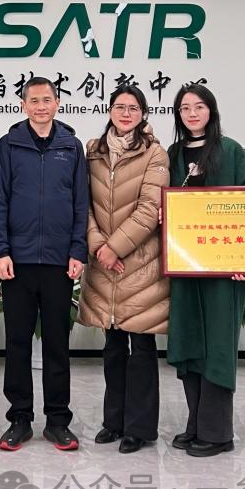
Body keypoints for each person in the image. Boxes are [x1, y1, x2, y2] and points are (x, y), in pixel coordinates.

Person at [0, 76, 88, 452]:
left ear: (57, 103)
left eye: (47, 100)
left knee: (58, 343)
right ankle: (19, 419)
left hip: (60, 262)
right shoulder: (8, 145)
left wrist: (78, 250)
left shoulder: (71, 146)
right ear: (23, 105)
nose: (41, 106)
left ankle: (58, 421)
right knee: (17, 342)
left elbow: (81, 203)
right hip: (18, 261)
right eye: (34, 100)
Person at [165, 83, 245, 458]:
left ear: (211, 111)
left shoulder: (230, 150)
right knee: (188, 342)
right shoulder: (173, 154)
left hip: (224, 267)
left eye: (199, 106)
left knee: (217, 345)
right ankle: (196, 423)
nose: (192, 113)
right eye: (185, 108)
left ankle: (218, 433)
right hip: (185, 264)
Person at [79, 85, 169, 454]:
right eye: (120, 107)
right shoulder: (93, 151)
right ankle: (113, 422)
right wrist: (98, 246)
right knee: (113, 346)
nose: (126, 113)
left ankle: (140, 428)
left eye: (133, 108)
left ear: (143, 113)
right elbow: (82, 204)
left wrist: (114, 248)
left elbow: (151, 208)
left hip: (141, 262)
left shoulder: (155, 153)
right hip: (104, 263)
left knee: (142, 347)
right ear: (110, 111)